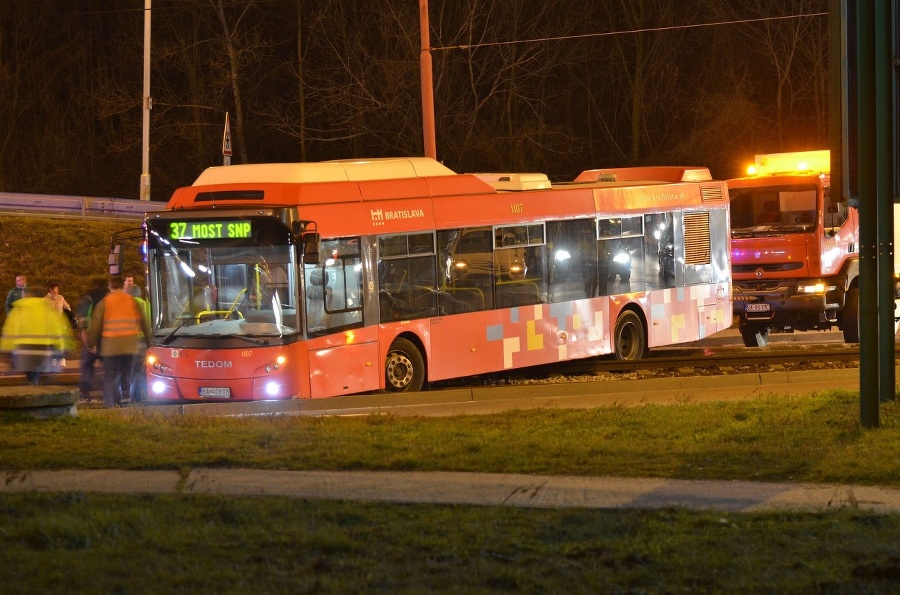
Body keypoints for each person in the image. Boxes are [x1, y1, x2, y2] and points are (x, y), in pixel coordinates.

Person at [86, 275, 151, 408]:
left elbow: (95, 326)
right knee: (127, 372)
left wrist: (91, 343)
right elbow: (144, 322)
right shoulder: (133, 301)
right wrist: (150, 342)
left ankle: (110, 403)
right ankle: (126, 397)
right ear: (124, 286)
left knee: (110, 375)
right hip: (130, 345)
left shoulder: (104, 302)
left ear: (110, 287)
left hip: (111, 345)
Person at [0, 286, 74, 385]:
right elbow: (57, 333)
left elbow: (9, 333)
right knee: (41, 376)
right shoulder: (49, 310)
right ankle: (41, 389)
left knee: (31, 377)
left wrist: (6, 353)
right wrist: (62, 350)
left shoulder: (18, 310)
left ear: (27, 295)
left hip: (23, 352)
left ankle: (32, 389)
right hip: (44, 352)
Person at [76, 277, 110, 400]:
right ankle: (109, 393)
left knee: (86, 364)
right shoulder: (109, 298)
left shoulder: (87, 298)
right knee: (108, 366)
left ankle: (85, 393)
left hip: (91, 337)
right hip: (107, 337)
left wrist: (86, 340)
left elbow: (83, 321)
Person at [125, 283, 150, 403]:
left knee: (129, 368)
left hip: (130, 339)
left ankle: (129, 394)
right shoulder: (145, 303)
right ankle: (139, 395)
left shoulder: (127, 303)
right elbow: (148, 321)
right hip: (142, 340)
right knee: (138, 369)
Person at [44, 282, 74, 367]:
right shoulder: (45, 300)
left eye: (57, 289)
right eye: (55, 289)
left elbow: (67, 307)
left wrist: (68, 314)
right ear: (50, 290)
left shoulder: (61, 298)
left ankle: (62, 359)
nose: (57, 291)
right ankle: (53, 359)